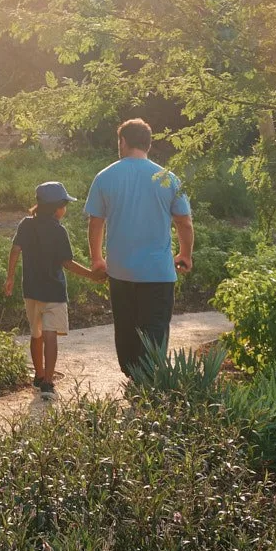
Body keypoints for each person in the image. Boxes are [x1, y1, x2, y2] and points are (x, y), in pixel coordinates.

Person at [85, 118, 195, 379]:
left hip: (121, 272)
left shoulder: (105, 176)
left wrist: (97, 259)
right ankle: (151, 383)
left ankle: (133, 378)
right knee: (155, 329)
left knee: (125, 329)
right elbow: (184, 222)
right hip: (158, 273)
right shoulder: (168, 178)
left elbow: (95, 223)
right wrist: (185, 254)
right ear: (148, 143)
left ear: (122, 142)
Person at [3, 180, 99, 392]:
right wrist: (91, 275)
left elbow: (15, 249)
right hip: (54, 292)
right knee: (50, 335)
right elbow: (67, 263)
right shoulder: (59, 231)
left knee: (36, 334)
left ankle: (38, 375)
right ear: (57, 208)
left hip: (30, 290)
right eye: (64, 205)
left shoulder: (26, 225)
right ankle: (48, 381)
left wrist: (9, 278)